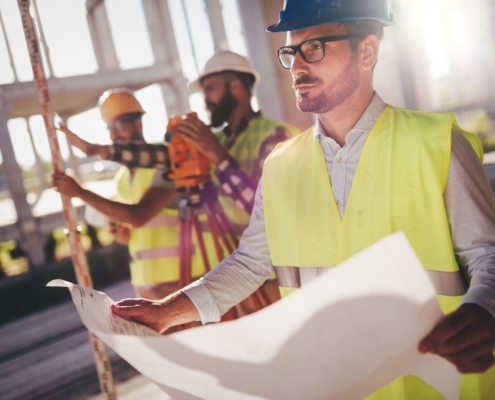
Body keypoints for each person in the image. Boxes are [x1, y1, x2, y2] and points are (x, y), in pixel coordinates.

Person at [110, 0, 495, 397]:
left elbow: (488, 255)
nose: (297, 67)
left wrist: (485, 312)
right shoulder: (280, 166)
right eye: (291, 52)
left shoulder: (436, 145)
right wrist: (166, 313)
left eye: (314, 48)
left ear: (367, 52)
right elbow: (249, 263)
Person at [61, 51, 300, 315]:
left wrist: (216, 155)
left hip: (270, 272)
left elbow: (267, 211)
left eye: (210, 90)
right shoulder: (216, 140)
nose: (206, 100)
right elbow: (159, 156)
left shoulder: (276, 135)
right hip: (229, 272)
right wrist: (102, 151)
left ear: (236, 87)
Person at [54, 88, 211, 300]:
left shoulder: (167, 164)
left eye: (120, 125)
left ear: (138, 122)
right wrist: (123, 233)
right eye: (110, 127)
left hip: (186, 279)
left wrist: (80, 192)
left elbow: (138, 215)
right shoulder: (121, 178)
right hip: (146, 284)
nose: (114, 134)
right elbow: (133, 223)